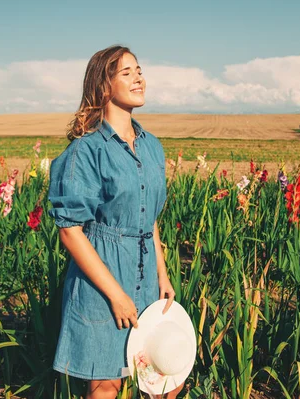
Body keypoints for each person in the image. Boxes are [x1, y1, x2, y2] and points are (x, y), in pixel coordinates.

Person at [48, 45, 185, 399]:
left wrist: (163, 274)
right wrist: (116, 295)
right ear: (104, 85)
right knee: (106, 384)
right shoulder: (85, 150)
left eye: (139, 70)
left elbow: (148, 216)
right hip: (102, 280)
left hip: (146, 277)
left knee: (166, 378)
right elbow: (70, 230)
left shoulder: (152, 146)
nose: (139, 77)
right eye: (126, 72)